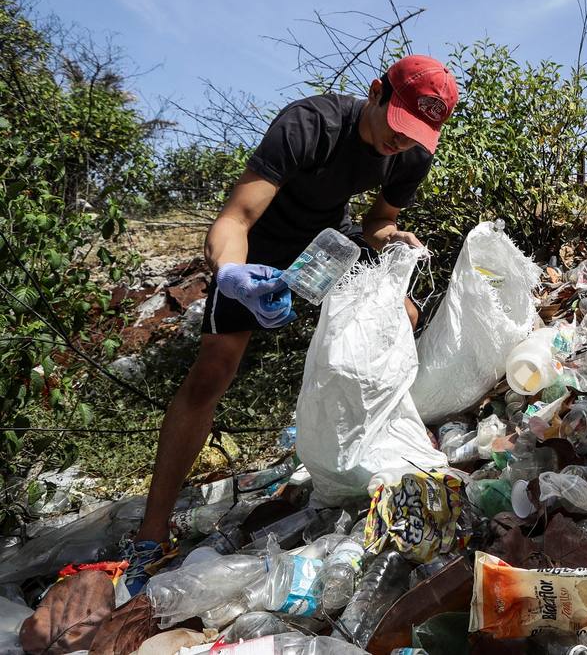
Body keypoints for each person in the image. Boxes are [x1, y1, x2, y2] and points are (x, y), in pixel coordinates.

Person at [121, 54, 458, 593]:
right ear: (376, 92)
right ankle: (151, 534)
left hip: (326, 245)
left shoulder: (410, 153)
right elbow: (236, 218)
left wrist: (391, 239)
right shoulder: (311, 124)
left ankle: (390, 450)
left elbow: (378, 221)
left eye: (416, 133)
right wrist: (233, 275)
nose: (401, 140)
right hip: (259, 245)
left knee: (403, 313)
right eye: (398, 124)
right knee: (213, 370)